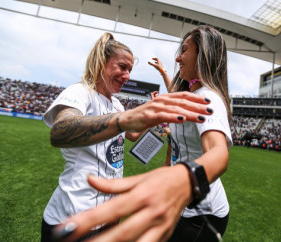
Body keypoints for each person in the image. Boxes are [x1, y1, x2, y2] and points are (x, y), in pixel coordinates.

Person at [41, 31, 213, 241]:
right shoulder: (80, 92)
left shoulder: (116, 104)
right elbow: (60, 131)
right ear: (101, 62)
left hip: (107, 216)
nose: (127, 76)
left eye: (130, 70)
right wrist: (123, 119)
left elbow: (131, 134)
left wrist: (154, 112)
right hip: (71, 216)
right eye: (122, 67)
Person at [148, 25, 232, 242]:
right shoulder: (190, 95)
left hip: (202, 215)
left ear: (203, 55)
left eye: (184, 50)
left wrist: (177, 183)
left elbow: (217, 152)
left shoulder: (208, 98)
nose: (178, 58)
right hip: (182, 205)